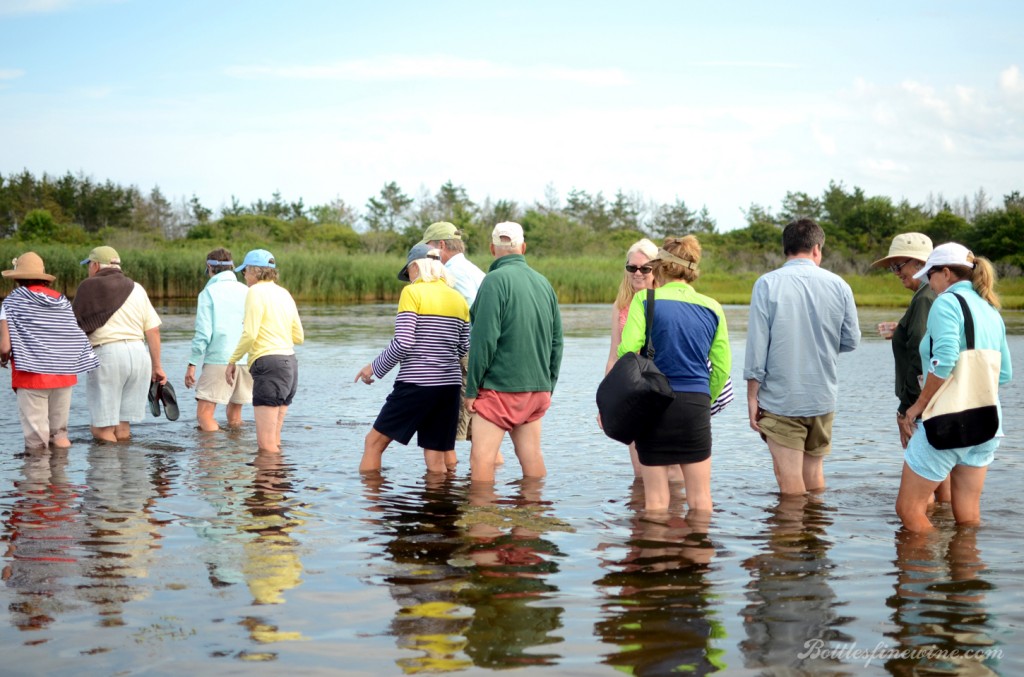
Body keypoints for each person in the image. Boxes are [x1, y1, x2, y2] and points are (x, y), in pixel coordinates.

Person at [895, 243, 1012, 533]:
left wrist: (917, 406)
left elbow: (945, 358)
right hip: (988, 422)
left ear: (945, 273)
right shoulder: (989, 308)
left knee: (909, 510)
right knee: (968, 516)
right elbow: (1004, 373)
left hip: (949, 421)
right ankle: (965, 574)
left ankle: (932, 574)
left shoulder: (946, 303)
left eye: (930, 276)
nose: (929, 284)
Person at [743, 219, 860, 495]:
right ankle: (815, 534)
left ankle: (791, 537)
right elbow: (851, 340)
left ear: (786, 249)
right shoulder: (840, 285)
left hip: (782, 400)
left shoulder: (766, 284)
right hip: (822, 397)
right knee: (814, 475)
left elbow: (757, 348)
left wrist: (751, 397)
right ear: (817, 249)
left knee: (789, 481)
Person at [617, 236, 731, 512]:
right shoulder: (713, 307)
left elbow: (627, 353)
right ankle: (697, 553)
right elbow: (722, 367)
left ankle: (656, 553)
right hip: (696, 404)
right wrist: (705, 397)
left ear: (662, 268)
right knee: (701, 499)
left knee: (655, 501)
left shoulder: (644, 300)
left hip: (655, 404)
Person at [355, 243, 470, 474]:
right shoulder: (458, 299)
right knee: (435, 456)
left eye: (408, 272)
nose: (408, 278)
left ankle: (370, 507)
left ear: (416, 266)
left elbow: (404, 343)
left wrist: (374, 368)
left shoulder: (412, 292)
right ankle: (439, 506)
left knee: (373, 444)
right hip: (449, 385)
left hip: (417, 384)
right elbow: (464, 348)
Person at [465, 222, 563, 483]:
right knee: (531, 457)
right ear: (523, 247)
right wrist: (548, 385)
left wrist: (472, 390)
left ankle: (483, 518)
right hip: (537, 390)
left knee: (481, 460)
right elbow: (557, 343)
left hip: (500, 389)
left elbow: (483, 341)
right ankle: (533, 512)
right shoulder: (544, 283)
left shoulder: (494, 281)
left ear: (491, 249)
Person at [870, 233, 949, 502]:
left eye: (898, 266)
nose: (895, 273)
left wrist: (906, 409)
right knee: (940, 476)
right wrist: (901, 328)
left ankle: (918, 540)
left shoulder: (925, 298)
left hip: (921, 404)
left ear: (918, 263)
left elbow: (920, 357)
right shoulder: (929, 294)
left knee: (917, 492)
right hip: (937, 402)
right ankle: (946, 534)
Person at [1, 252, 99, 449]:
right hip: (63, 375)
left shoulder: (12, 301)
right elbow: (72, 334)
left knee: (36, 441)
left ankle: (37, 478)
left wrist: (3, 358)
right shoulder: (61, 300)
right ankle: (60, 476)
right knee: (60, 436)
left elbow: (4, 346)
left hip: (31, 377)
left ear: (18, 277)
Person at [72, 246, 166, 442]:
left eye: (89, 265)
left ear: (96, 265)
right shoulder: (137, 288)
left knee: (102, 430)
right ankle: (131, 471)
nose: (88, 270)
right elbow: (153, 330)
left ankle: (109, 473)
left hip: (108, 355)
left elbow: (74, 327)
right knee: (123, 427)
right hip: (140, 355)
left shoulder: (88, 286)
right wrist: (157, 366)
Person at [420, 220, 491, 452]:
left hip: (468, 353)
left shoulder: (453, 273)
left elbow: (469, 314)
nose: (425, 256)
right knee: (477, 427)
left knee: (458, 423)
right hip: (480, 353)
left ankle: (448, 481)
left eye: (428, 248)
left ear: (441, 245)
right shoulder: (470, 268)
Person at [226, 249, 304, 453]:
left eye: (245, 272)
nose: (244, 276)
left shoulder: (255, 292)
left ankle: (266, 485)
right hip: (290, 365)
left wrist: (232, 360)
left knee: (265, 445)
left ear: (254, 271)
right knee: (275, 441)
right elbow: (299, 337)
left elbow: (250, 334)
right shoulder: (284, 293)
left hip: (268, 365)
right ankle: (277, 482)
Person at [184, 248, 253, 432]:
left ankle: (214, 457)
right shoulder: (247, 291)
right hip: (246, 361)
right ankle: (237, 458)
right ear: (232, 267)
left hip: (219, 359)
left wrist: (192, 363)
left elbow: (203, 333)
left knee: (204, 415)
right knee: (235, 416)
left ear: (209, 267)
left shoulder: (209, 293)